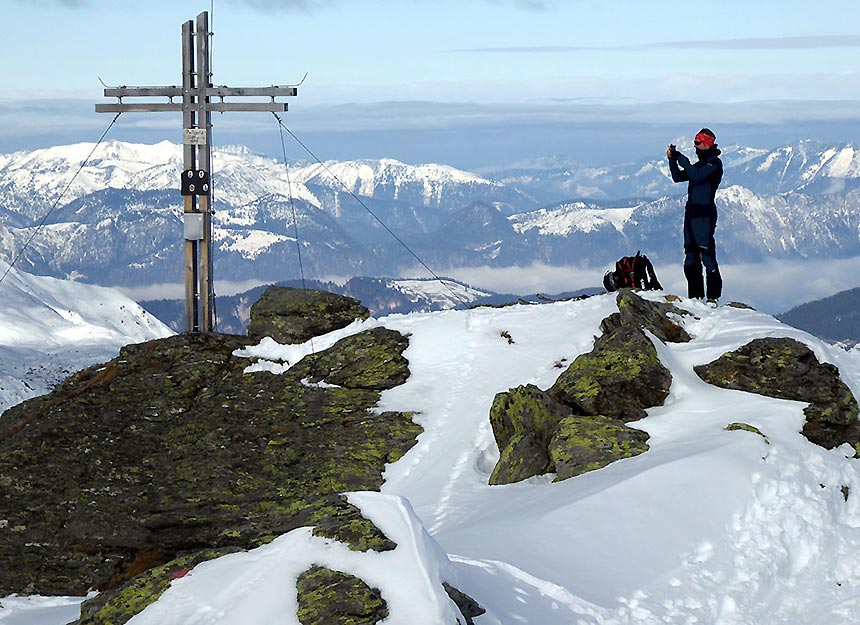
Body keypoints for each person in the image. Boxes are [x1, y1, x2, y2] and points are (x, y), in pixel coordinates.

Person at [666, 128, 723, 304]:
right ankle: (695, 298)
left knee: (706, 255)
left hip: (704, 216)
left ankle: (713, 298)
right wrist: (672, 160)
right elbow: (678, 177)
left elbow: (697, 177)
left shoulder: (714, 164)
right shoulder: (698, 166)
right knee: (691, 256)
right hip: (691, 214)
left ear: (707, 144)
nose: (695, 146)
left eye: (698, 143)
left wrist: (681, 158)